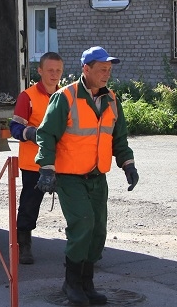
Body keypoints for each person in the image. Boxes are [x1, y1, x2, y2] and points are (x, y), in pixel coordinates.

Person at [35, 46, 140, 306]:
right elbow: (46, 134)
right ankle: (72, 284)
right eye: (102, 69)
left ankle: (86, 283)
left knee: (98, 230)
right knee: (83, 224)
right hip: (70, 177)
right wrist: (46, 168)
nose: (106, 73)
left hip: (96, 177)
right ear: (86, 69)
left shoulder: (112, 100)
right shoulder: (65, 97)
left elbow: (119, 137)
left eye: (109, 69)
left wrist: (128, 164)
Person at [9, 51, 64, 265]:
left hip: (63, 164)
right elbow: (14, 127)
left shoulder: (65, 96)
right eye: (50, 70)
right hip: (34, 164)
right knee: (30, 205)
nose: (54, 74)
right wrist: (30, 133)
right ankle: (24, 245)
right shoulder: (28, 96)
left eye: (58, 70)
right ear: (39, 70)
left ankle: (81, 250)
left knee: (74, 205)